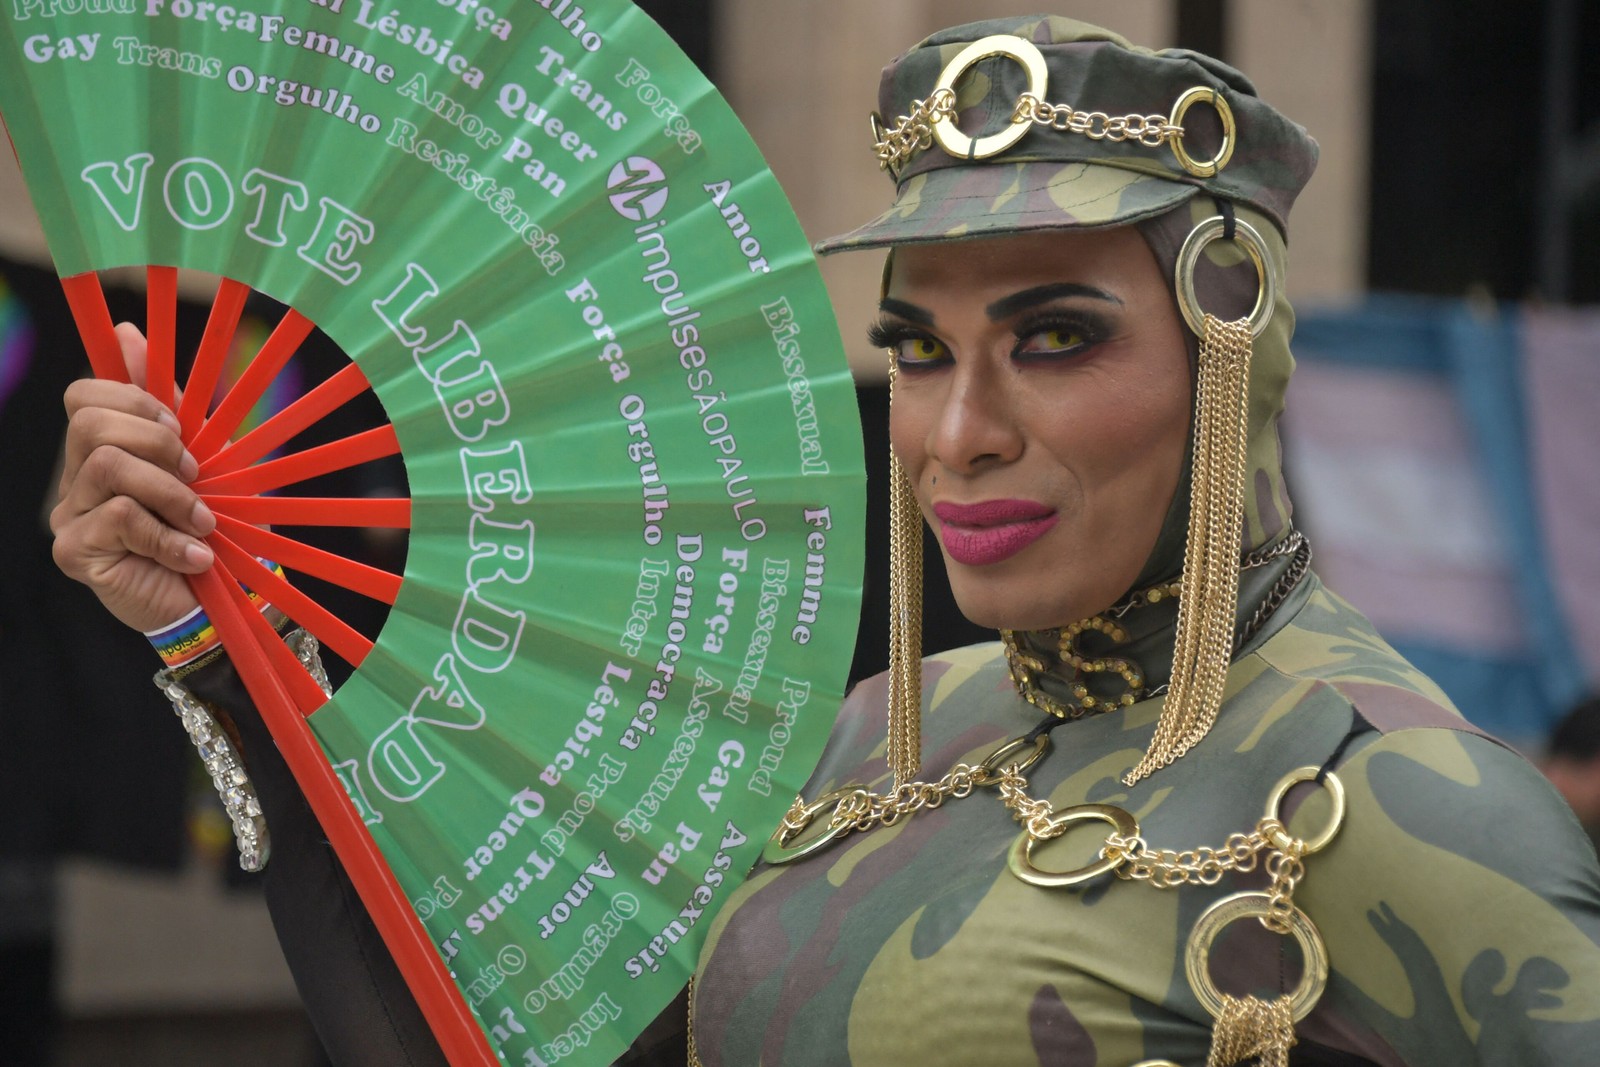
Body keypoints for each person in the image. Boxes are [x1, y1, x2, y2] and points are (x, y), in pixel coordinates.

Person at [50, 15, 1600, 1067]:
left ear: (1233, 354)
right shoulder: (869, 739)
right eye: (920, 349)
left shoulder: (1407, 807)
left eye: (1056, 337)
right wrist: (215, 627)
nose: (955, 430)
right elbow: (452, 1038)